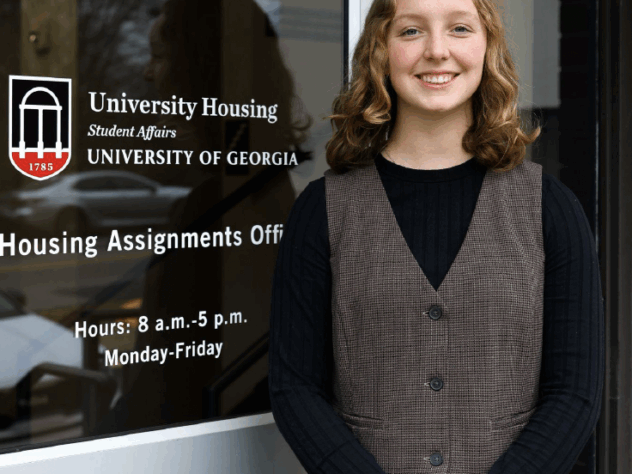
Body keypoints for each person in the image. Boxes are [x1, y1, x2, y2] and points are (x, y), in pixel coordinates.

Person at [268, 0, 604, 473]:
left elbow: (575, 393)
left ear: (487, 48)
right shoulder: (321, 211)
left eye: (460, 28)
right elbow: (295, 389)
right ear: (380, 51)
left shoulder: (551, 209)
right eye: (410, 32)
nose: (437, 50)